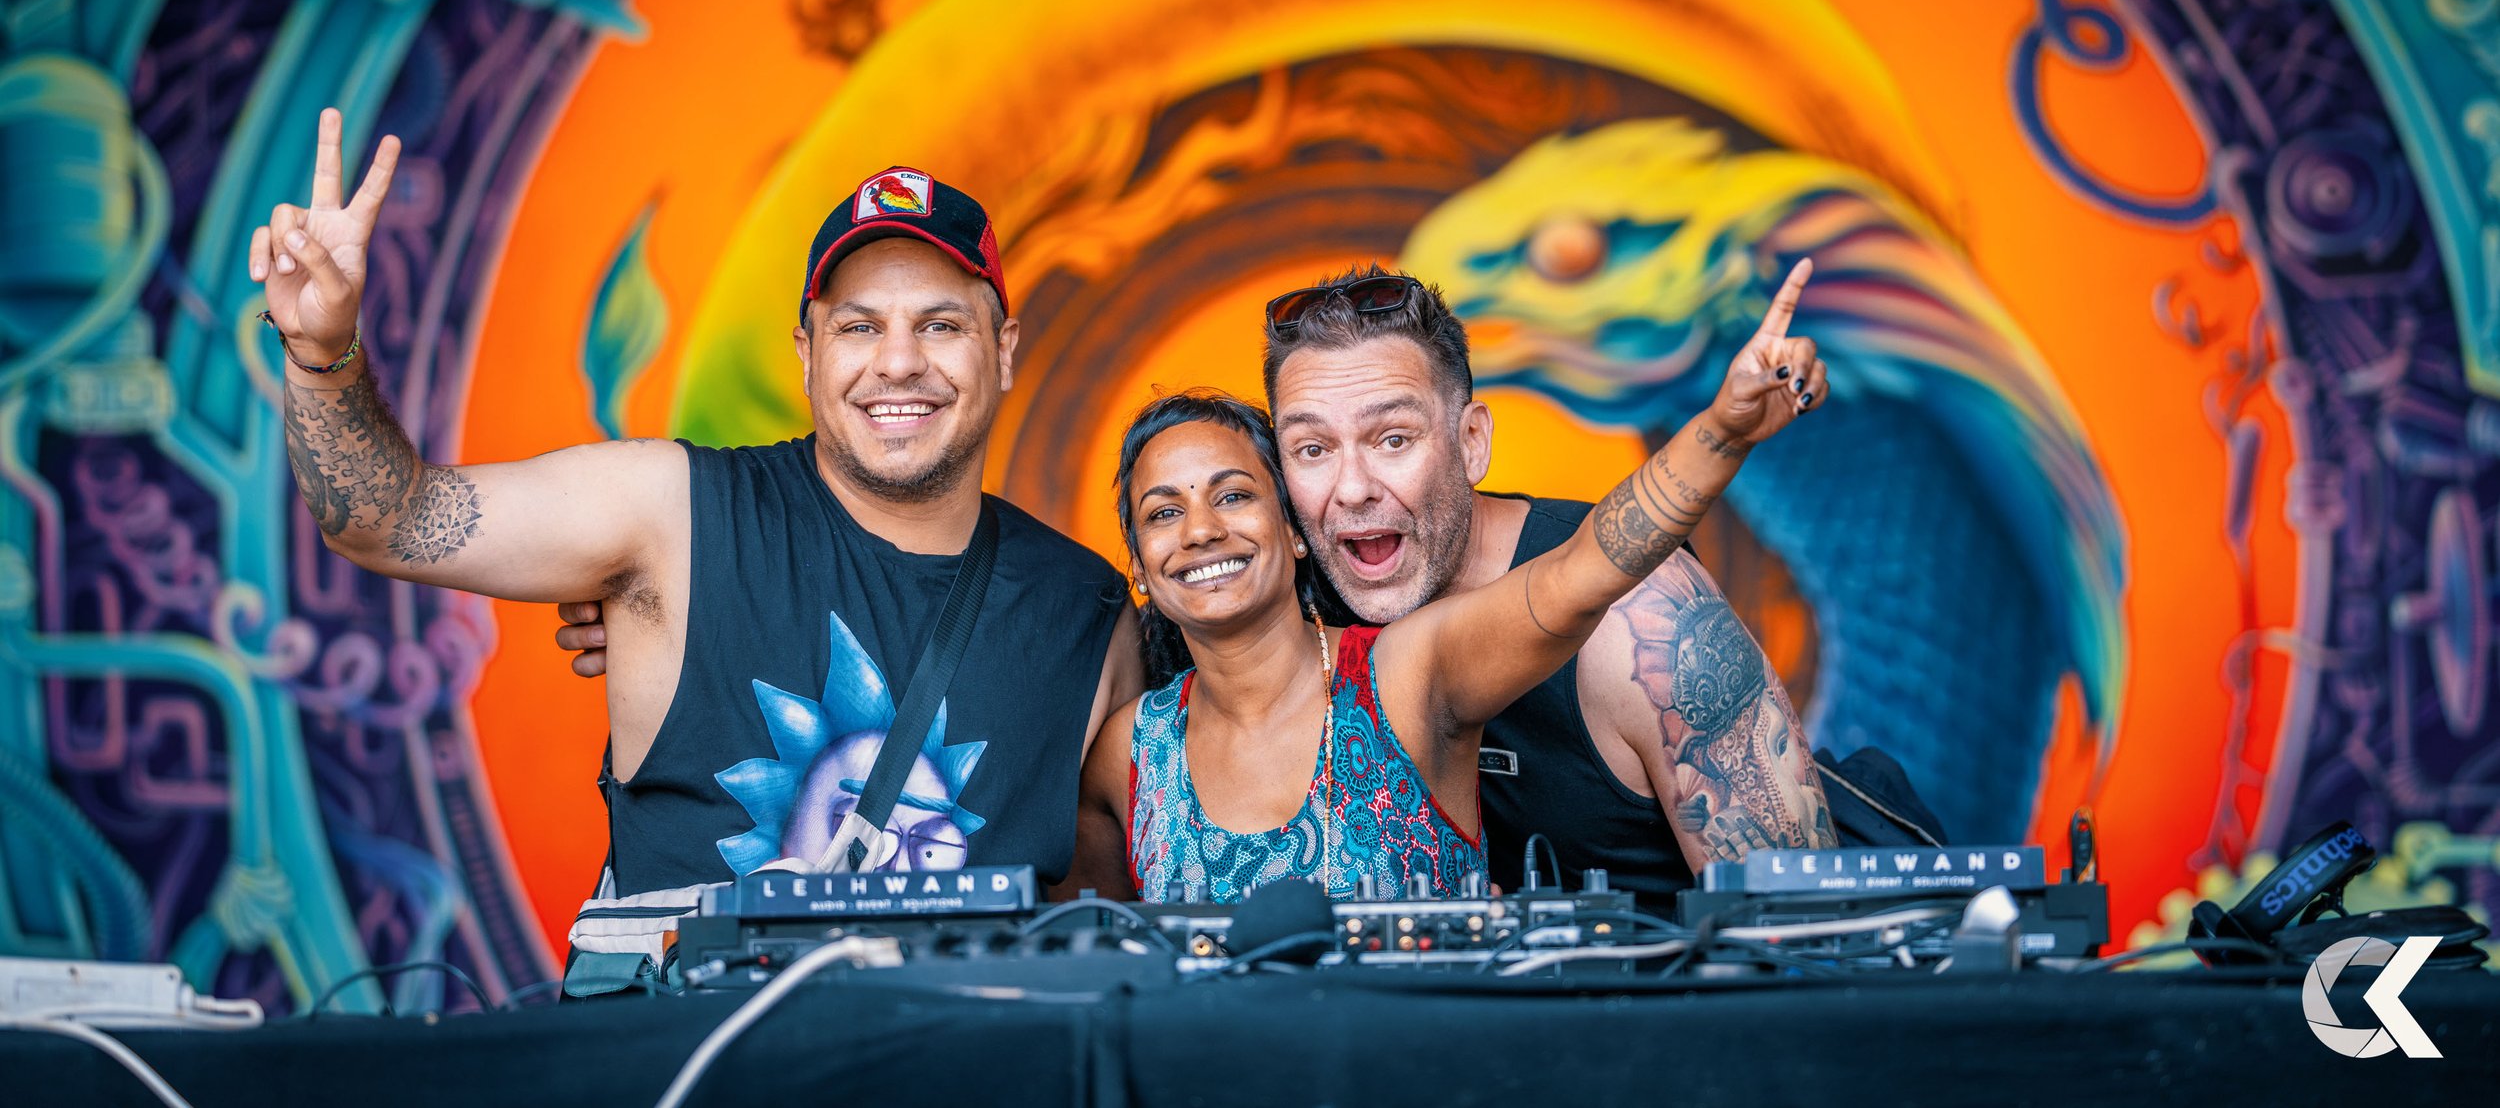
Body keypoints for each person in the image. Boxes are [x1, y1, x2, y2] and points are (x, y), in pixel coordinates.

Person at [248, 113, 1141, 971]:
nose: (898, 361)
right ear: (806, 352)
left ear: (1006, 349)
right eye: (858, 326)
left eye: (940, 324)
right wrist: (321, 347)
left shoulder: (1088, 612)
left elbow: (1108, 940)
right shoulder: (668, 514)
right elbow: (390, 519)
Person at [1064, 264, 1820, 898]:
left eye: (1392, 438)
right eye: (1313, 449)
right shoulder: (1222, 658)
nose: (1352, 488)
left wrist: (1723, 432)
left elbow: (1809, 937)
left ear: (1471, 441)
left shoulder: (1639, 616)